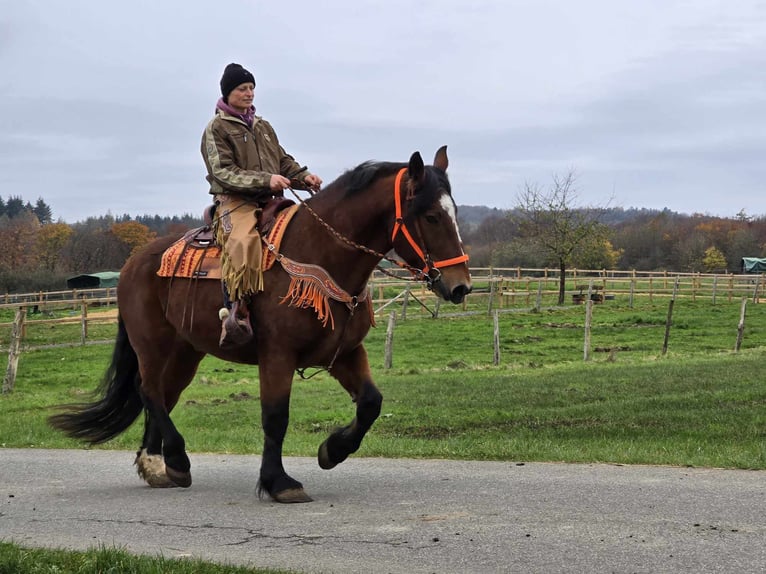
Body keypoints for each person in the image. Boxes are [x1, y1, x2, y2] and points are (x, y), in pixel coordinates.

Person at [201, 63, 322, 348]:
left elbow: (283, 161)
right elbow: (222, 172)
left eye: (252, 88)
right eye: (242, 89)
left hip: (271, 200)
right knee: (243, 243)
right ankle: (236, 314)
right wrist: (266, 180)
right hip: (235, 201)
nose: (249, 94)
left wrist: (303, 176)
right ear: (228, 93)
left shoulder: (263, 126)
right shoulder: (216, 128)